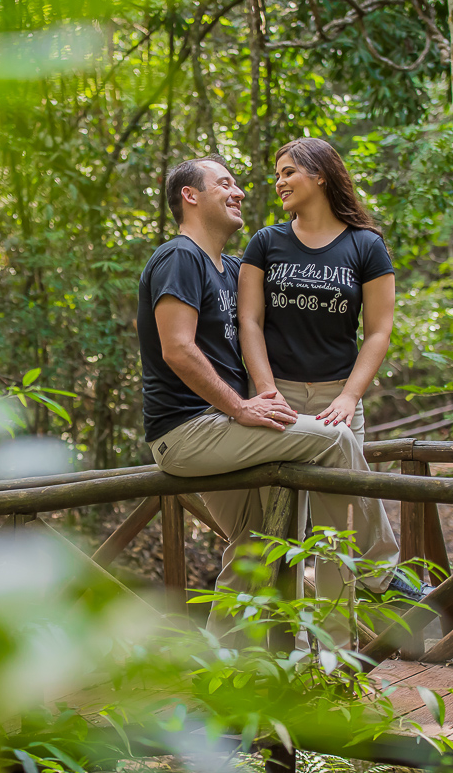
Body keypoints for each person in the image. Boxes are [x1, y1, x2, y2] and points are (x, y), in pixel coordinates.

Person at [136, 154, 404, 647]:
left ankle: (240, 674)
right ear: (190, 196)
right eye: (225, 183)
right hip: (190, 430)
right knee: (335, 442)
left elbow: (284, 302)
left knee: (260, 544)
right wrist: (244, 405)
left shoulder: (227, 268)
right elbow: (177, 348)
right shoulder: (180, 257)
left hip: (225, 428)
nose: (240, 191)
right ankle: (385, 578)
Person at [237, 137, 416, 625]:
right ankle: (281, 655)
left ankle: (337, 663)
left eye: (289, 171)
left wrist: (350, 396)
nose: (279, 182)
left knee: (340, 533)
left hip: (339, 399)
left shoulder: (365, 245)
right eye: (277, 174)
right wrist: (266, 390)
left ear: (320, 174)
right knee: (279, 530)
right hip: (279, 400)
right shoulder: (265, 242)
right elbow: (249, 320)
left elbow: (379, 331)